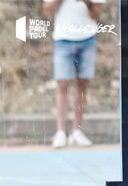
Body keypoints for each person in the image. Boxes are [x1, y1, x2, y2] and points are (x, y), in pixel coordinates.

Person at [43, 0, 106, 148]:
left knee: (83, 86)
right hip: (63, 39)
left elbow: (97, 14)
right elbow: (47, 11)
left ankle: (76, 132)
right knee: (62, 84)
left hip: (87, 39)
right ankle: (60, 132)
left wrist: (87, 2)